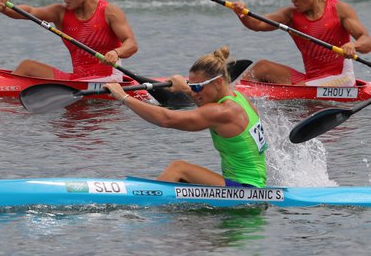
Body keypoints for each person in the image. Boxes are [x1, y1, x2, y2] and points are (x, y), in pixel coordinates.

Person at [104, 46, 267, 188]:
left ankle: (143, 205)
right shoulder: (239, 99)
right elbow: (207, 110)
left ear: (218, 83)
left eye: (198, 87)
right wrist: (187, 90)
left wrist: (123, 97)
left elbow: (166, 119)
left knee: (178, 169)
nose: (195, 92)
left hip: (246, 189)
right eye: (192, 86)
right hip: (252, 184)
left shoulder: (223, 112)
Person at [231, 0, 371, 87]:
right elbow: (257, 24)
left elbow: (367, 41)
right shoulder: (291, 15)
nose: (294, 0)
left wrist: (353, 46)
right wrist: (242, 12)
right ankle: (235, 100)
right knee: (262, 67)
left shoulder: (339, 10)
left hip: (342, 79)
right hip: (311, 79)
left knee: (293, 91)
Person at [0, 0, 138, 81]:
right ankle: (5, 92)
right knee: (27, 66)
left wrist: (116, 52)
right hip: (77, 80)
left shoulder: (109, 11)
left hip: (109, 79)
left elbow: (131, 44)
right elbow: (30, 12)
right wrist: (5, 8)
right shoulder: (60, 13)